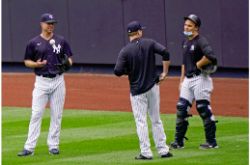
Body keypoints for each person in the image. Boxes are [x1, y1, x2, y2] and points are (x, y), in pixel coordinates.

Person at [114, 21, 173, 160]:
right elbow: (165, 52)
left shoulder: (125, 51)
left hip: (137, 91)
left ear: (129, 34)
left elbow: (117, 71)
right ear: (139, 32)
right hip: (153, 87)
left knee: (141, 121)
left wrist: (129, 71)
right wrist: (164, 73)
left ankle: (146, 152)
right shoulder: (150, 43)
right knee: (156, 119)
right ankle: (163, 150)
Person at [17, 13, 73, 156]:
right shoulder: (33, 42)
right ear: (41, 24)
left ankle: (53, 145)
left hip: (58, 81)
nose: (51, 25)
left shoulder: (61, 41)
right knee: (36, 114)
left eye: (52, 23)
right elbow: (27, 61)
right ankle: (29, 148)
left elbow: (70, 59)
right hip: (41, 82)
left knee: (57, 114)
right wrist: (36, 64)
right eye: (48, 23)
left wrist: (66, 64)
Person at [170, 14, 218, 149]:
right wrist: (181, 80)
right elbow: (184, 64)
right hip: (188, 79)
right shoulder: (185, 42)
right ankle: (178, 142)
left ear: (196, 28)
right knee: (181, 108)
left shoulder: (201, 41)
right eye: (185, 25)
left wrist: (198, 64)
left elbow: (211, 56)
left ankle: (211, 142)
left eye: (189, 25)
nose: (186, 27)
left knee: (203, 109)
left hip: (201, 79)